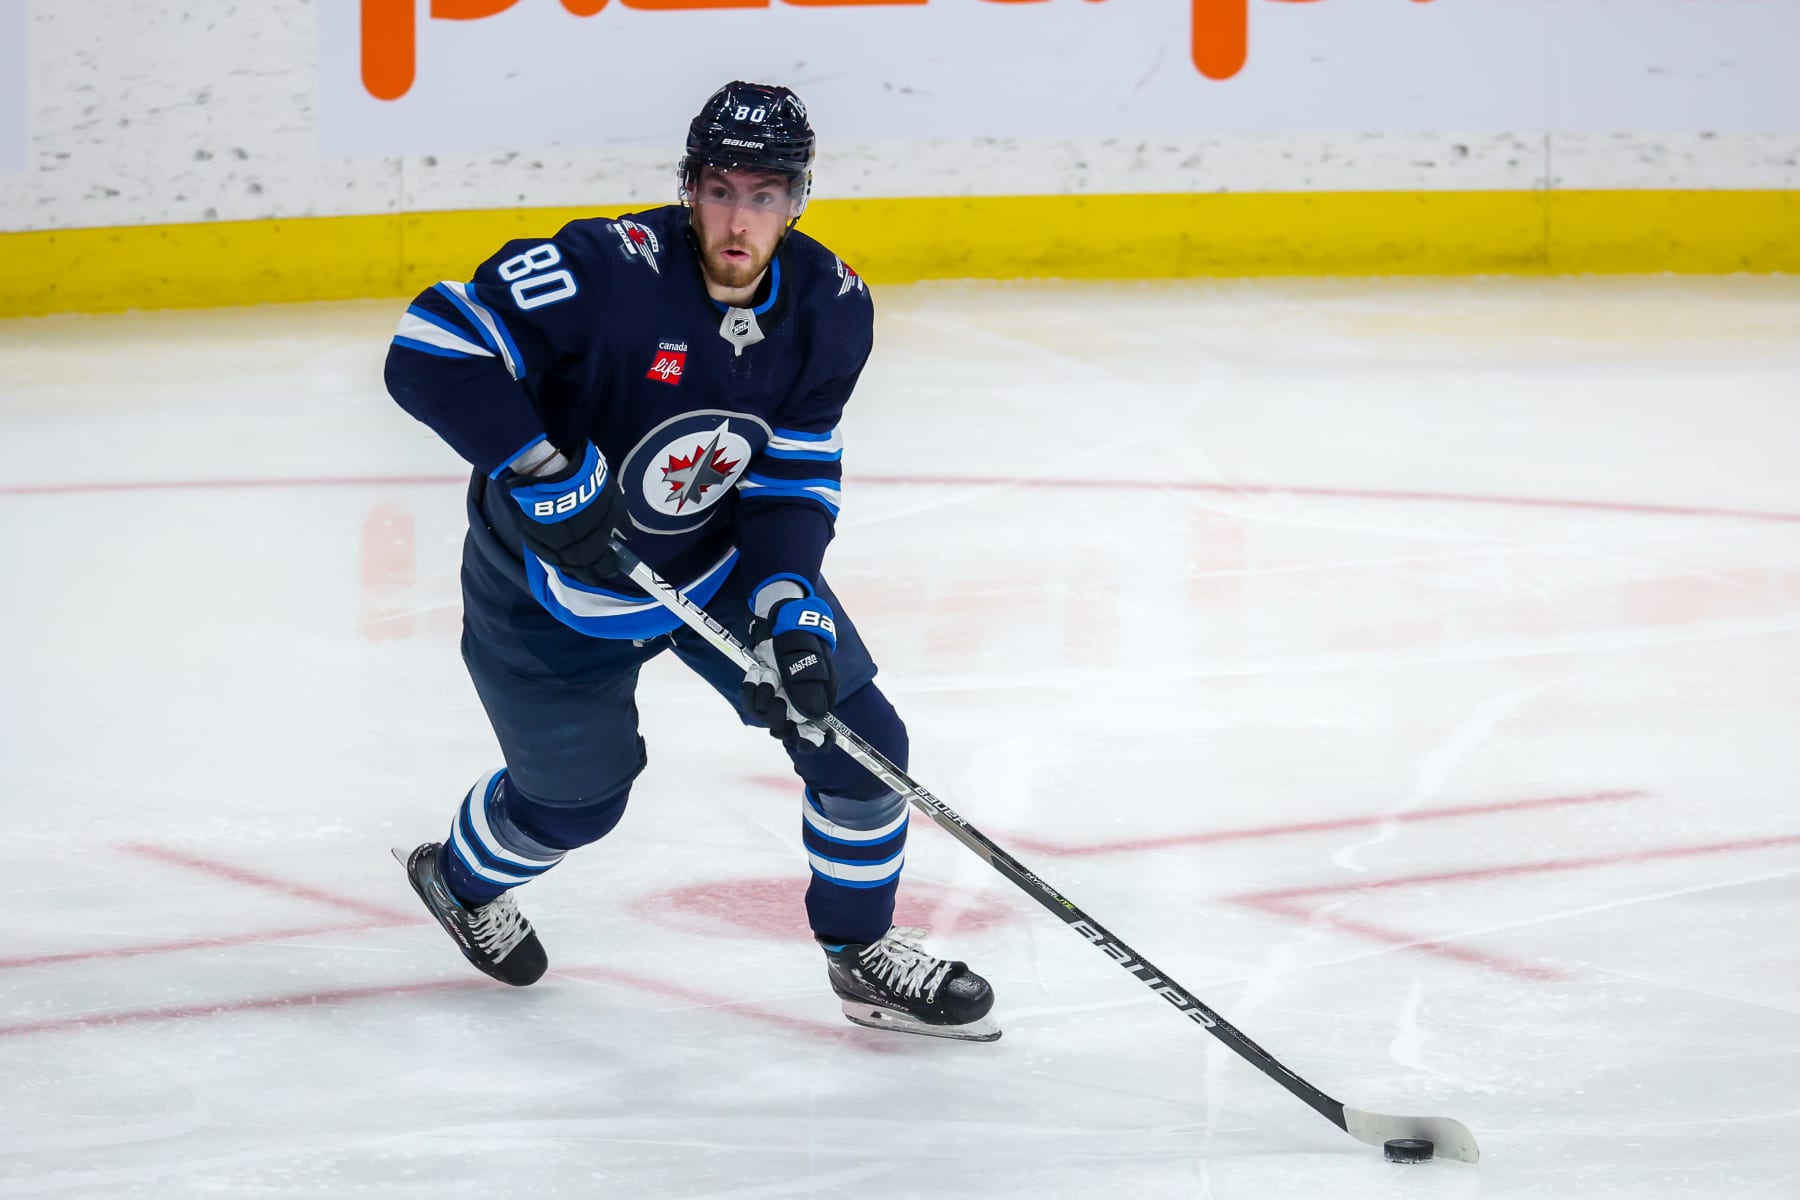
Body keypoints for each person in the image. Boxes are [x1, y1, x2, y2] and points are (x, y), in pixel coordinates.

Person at [381, 81, 998, 1041]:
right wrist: (544, 470)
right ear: (687, 189)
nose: (738, 218)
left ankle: (862, 953)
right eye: (719, 190)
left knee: (861, 746)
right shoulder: (603, 268)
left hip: (718, 565)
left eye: (763, 195)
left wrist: (790, 600)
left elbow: (793, 471)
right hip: (551, 586)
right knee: (577, 808)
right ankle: (458, 878)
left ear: (799, 200)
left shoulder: (833, 306)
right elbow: (428, 346)